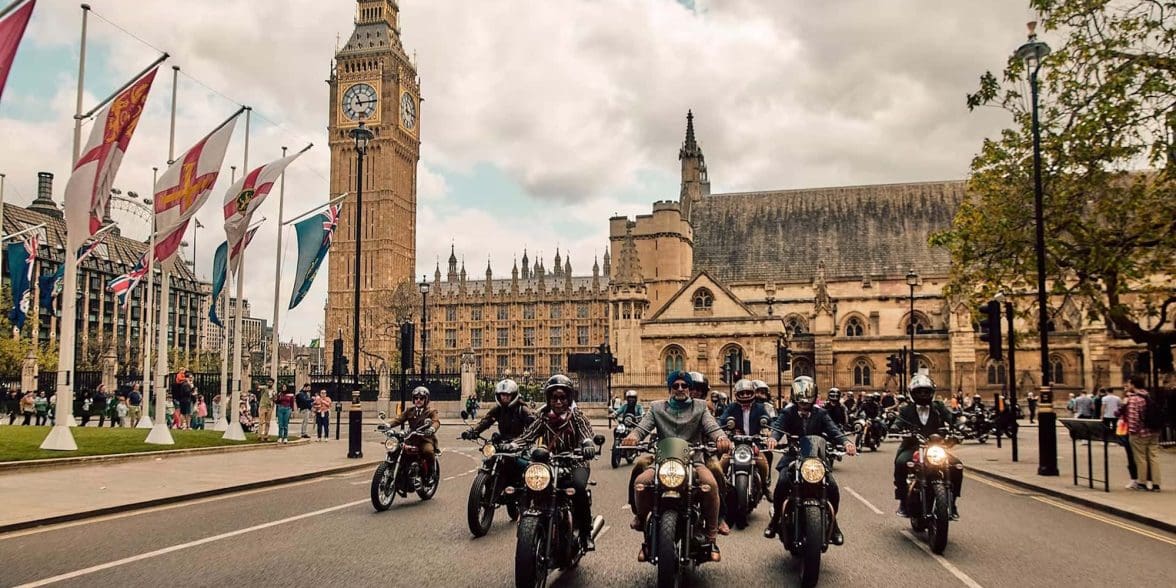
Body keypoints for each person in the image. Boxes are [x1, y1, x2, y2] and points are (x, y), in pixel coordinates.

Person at [624, 370, 732, 561]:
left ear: (690, 389)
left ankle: (712, 536)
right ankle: (643, 524)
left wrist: (721, 437)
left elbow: (712, 427)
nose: (680, 389)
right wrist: (632, 437)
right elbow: (642, 428)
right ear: (670, 389)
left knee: (711, 485)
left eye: (684, 386)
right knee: (641, 483)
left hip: (693, 461)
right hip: (663, 461)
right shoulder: (657, 407)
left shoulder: (700, 407)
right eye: (676, 386)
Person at [512, 375, 600, 551]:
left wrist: (588, 444)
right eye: (554, 398)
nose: (558, 401)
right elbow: (528, 436)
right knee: (529, 482)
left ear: (569, 399)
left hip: (576, 462)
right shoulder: (543, 417)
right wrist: (513, 444)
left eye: (562, 397)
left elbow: (586, 433)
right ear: (549, 399)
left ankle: (585, 534)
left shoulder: (576, 417)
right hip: (550, 463)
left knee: (578, 488)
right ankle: (526, 520)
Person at [763, 376, 855, 545]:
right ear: (794, 395)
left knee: (832, 487)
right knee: (783, 482)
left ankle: (833, 525)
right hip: (793, 456)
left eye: (808, 396)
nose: (804, 401)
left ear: (814, 396)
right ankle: (775, 519)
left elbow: (833, 430)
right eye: (801, 397)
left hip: (815, 457)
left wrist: (846, 442)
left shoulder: (821, 413)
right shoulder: (788, 411)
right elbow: (778, 427)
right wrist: (773, 438)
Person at [892, 374, 963, 518]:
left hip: (936, 447)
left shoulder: (939, 407)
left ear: (932, 392)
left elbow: (951, 419)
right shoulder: (906, 409)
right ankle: (902, 501)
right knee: (900, 463)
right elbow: (899, 422)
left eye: (926, 391)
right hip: (913, 447)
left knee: (956, 466)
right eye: (919, 391)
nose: (923, 394)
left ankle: (953, 502)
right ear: (913, 393)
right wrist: (895, 427)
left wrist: (960, 427)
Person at [719, 379, 773, 500]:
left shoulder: (759, 407)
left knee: (762, 462)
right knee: (723, 462)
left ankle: (764, 487)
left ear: (753, 393)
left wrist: (766, 426)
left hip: (754, 442)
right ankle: (721, 487)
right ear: (736, 394)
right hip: (735, 442)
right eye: (742, 393)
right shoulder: (732, 407)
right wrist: (726, 428)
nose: (745, 395)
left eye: (748, 393)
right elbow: (721, 420)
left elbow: (769, 420)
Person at [386, 386, 441, 474]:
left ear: (426, 400)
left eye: (421, 398)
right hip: (411, 439)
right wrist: (387, 425)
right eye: (416, 398)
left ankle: (431, 473)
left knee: (428, 451)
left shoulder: (431, 412)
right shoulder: (410, 410)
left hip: (425, 439)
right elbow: (398, 419)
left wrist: (431, 428)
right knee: (397, 449)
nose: (418, 400)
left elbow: (436, 422)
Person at [464, 379, 536, 441]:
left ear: (513, 395)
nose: (505, 397)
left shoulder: (522, 409)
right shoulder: (498, 409)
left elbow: (533, 424)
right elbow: (486, 421)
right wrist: (472, 431)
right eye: (503, 395)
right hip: (502, 442)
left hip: (519, 443)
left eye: (508, 395)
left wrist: (529, 437)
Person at [1124, 375, 1161, 492]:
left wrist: (1133, 432)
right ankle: (1156, 484)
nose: (1128, 386)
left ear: (1133, 385)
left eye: (1129, 384)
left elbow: (1133, 418)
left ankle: (1142, 483)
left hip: (1140, 433)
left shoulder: (1134, 399)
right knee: (1154, 457)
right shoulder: (1149, 395)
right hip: (1154, 431)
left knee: (1141, 458)